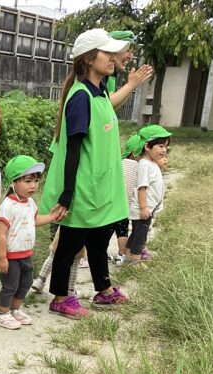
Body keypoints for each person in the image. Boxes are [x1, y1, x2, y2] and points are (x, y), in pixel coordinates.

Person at [39, 28, 132, 319]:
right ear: (90, 58)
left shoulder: (100, 91)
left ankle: (104, 290)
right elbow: (73, 148)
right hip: (83, 187)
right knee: (69, 245)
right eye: (107, 53)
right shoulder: (80, 96)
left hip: (101, 186)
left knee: (99, 241)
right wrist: (67, 193)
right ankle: (60, 298)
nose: (113, 58)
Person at [0, 156, 62, 329]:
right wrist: (2, 257)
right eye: (28, 181)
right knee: (10, 286)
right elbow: (1, 234)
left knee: (25, 283)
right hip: (10, 256)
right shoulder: (7, 205)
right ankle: (1, 313)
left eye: (36, 181)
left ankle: (14, 309)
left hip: (26, 254)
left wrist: (53, 216)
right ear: (13, 182)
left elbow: (34, 220)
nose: (33, 186)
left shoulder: (30, 202)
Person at [123, 125, 171, 265]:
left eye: (166, 146)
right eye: (160, 146)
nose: (164, 150)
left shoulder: (150, 163)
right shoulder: (144, 165)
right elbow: (142, 188)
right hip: (144, 210)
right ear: (147, 147)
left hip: (147, 209)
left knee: (136, 235)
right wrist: (143, 208)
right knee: (140, 238)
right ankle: (134, 263)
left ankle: (127, 257)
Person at [106, 30, 154, 109]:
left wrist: (132, 86)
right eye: (127, 50)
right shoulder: (97, 74)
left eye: (132, 52)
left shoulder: (111, 74)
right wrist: (130, 85)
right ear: (113, 49)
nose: (131, 57)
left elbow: (111, 108)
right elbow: (104, 104)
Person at [114, 132, 143, 264]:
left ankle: (97, 254)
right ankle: (121, 254)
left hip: (112, 203)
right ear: (134, 154)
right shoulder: (139, 167)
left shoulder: (119, 162)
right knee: (122, 231)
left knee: (105, 232)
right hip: (125, 207)